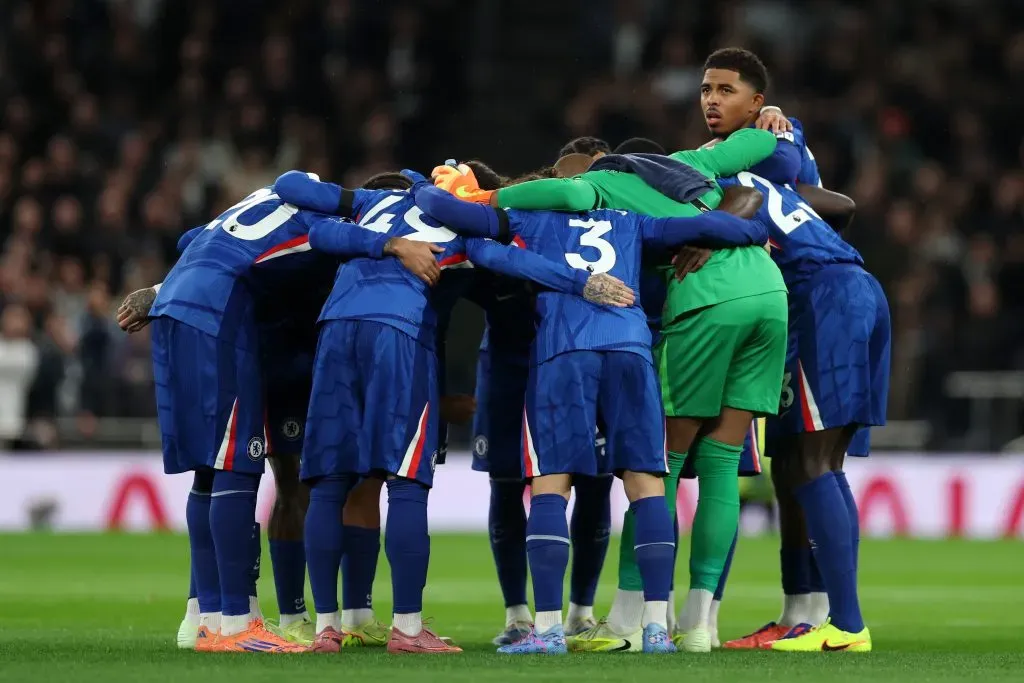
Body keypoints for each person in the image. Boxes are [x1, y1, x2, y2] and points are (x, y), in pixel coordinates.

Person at [446, 123, 789, 654]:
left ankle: (549, 628)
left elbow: (492, 246)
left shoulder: (552, 208)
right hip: (639, 345)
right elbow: (743, 221)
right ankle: (659, 626)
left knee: (552, 484)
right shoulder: (641, 217)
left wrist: (464, 195)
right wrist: (713, 227)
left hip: (567, 351)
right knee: (648, 482)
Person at [276, 170, 634, 654]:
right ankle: (407, 629)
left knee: (329, 481)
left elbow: (313, 220)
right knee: (405, 481)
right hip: (399, 333)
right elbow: (507, 258)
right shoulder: (462, 227)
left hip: (336, 330)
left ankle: (326, 628)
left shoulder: (373, 203)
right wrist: (580, 281)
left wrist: (386, 243)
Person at [117, 177, 443, 653]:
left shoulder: (258, 204)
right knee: (237, 468)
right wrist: (393, 244)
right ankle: (235, 624)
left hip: (190, 311)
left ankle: (204, 614)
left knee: (211, 469)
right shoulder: (334, 223)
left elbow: (195, 240)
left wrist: (162, 286)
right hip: (231, 326)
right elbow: (325, 238)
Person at [696, 48, 885, 653]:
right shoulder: (754, 165)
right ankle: (803, 612)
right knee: (796, 461)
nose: (710, 100)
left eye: (726, 90)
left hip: (822, 298)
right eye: (705, 89)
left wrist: (716, 230)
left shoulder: (764, 147)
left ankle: (846, 625)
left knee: (814, 462)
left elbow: (765, 179)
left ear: (756, 103)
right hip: (825, 297)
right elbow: (842, 206)